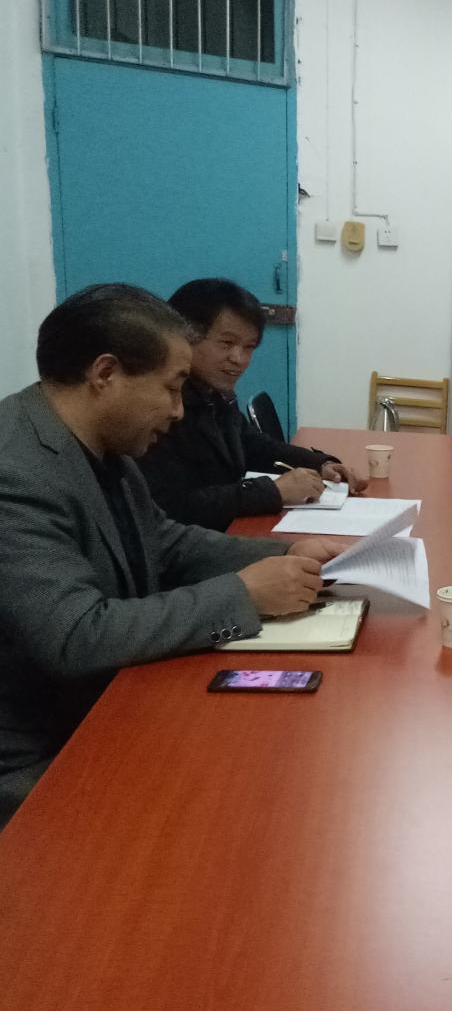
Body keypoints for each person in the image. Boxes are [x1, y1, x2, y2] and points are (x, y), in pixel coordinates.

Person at [0, 284, 347, 826]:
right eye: (171, 388)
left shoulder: (103, 444)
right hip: (44, 752)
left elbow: (164, 540)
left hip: (111, 699)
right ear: (106, 374)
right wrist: (245, 595)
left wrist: (288, 551)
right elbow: (76, 635)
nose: (179, 410)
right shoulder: (16, 471)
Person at [138, 278, 367, 530]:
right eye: (227, 343)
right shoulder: (160, 407)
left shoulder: (214, 393)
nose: (239, 359)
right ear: (183, 337)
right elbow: (171, 508)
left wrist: (320, 464)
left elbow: (252, 444)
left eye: (249, 347)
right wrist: (272, 492)